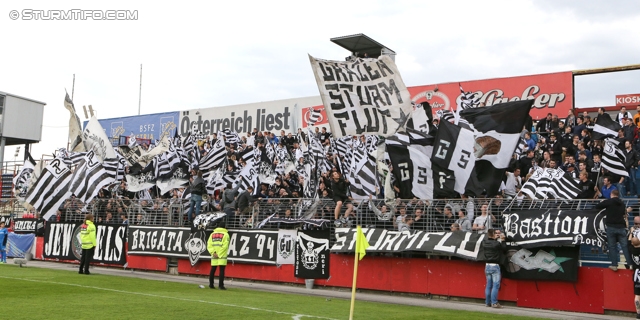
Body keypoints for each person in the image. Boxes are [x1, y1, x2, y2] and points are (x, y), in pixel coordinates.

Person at [596, 189, 631, 271]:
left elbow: (597, 206)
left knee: (612, 247)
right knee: (625, 246)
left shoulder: (609, 201)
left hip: (611, 227)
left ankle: (614, 265)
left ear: (611, 194)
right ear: (618, 195)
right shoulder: (622, 203)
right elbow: (623, 213)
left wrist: (603, 201)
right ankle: (630, 264)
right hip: (621, 227)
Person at [483, 228, 506, 308]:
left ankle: (487, 302)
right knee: (495, 285)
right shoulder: (496, 244)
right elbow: (504, 248)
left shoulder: (485, 242)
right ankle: (494, 303)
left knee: (488, 285)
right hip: (495, 266)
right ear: (493, 235)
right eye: (496, 233)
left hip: (487, 265)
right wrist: (502, 240)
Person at [207, 220, 230, 290]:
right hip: (222, 255)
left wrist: (213, 253)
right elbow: (225, 246)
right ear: (224, 227)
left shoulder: (212, 234)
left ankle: (211, 284)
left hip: (214, 255)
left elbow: (209, 245)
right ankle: (221, 285)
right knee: (222, 270)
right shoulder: (226, 235)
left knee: (213, 269)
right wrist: (219, 254)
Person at [628, 216, 640, 319]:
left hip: (637, 274)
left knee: (637, 295)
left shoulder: (631, 250)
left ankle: (638, 313)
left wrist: (631, 232)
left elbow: (629, 242)